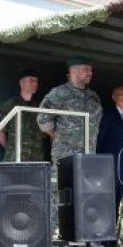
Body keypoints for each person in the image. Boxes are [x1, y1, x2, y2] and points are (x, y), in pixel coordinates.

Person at [38, 56, 102, 231]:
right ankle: (56, 230)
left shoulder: (93, 96)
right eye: (85, 69)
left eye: (90, 69)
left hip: (88, 155)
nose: (90, 72)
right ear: (73, 71)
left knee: (86, 192)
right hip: (65, 153)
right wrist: (60, 137)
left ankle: (82, 232)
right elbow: (43, 119)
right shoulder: (59, 93)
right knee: (61, 191)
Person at [0, 69, 47, 162]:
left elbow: (47, 130)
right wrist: (10, 149)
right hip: (15, 159)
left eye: (36, 81)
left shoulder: (40, 107)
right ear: (21, 83)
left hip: (36, 159)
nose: (35, 83)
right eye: (31, 80)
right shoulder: (10, 105)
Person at [96, 84, 123, 206]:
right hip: (113, 162)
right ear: (114, 97)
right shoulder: (108, 115)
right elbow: (100, 139)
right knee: (114, 193)